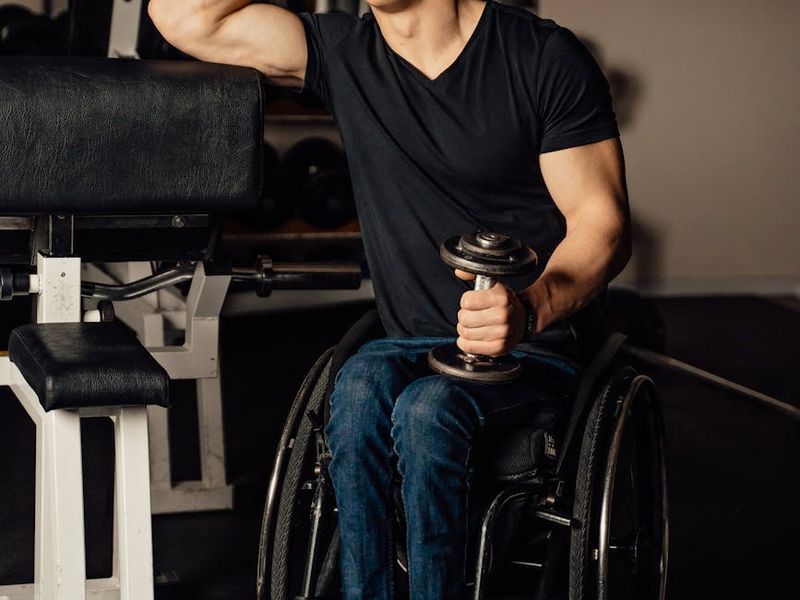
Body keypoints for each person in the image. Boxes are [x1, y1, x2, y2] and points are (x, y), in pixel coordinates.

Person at [149, 0, 631, 597]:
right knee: (357, 387)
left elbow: (602, 223)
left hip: (531, 351)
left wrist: (532, 309)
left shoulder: (541, 57)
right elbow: (185, 17)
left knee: (428, 410)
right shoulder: (342, 51)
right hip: (406, 342)